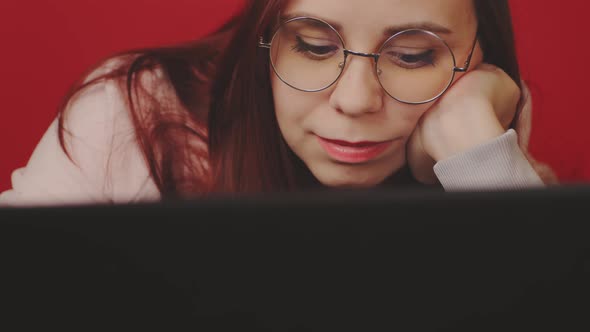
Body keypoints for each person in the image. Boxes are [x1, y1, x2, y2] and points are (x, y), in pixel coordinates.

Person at [0, 0, 557, 206]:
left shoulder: (478, 125)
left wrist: (480, 154)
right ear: (263, 39)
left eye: (413, 56)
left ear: (481, 55)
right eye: (314, 47)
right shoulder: (137, 113)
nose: (356, 101)